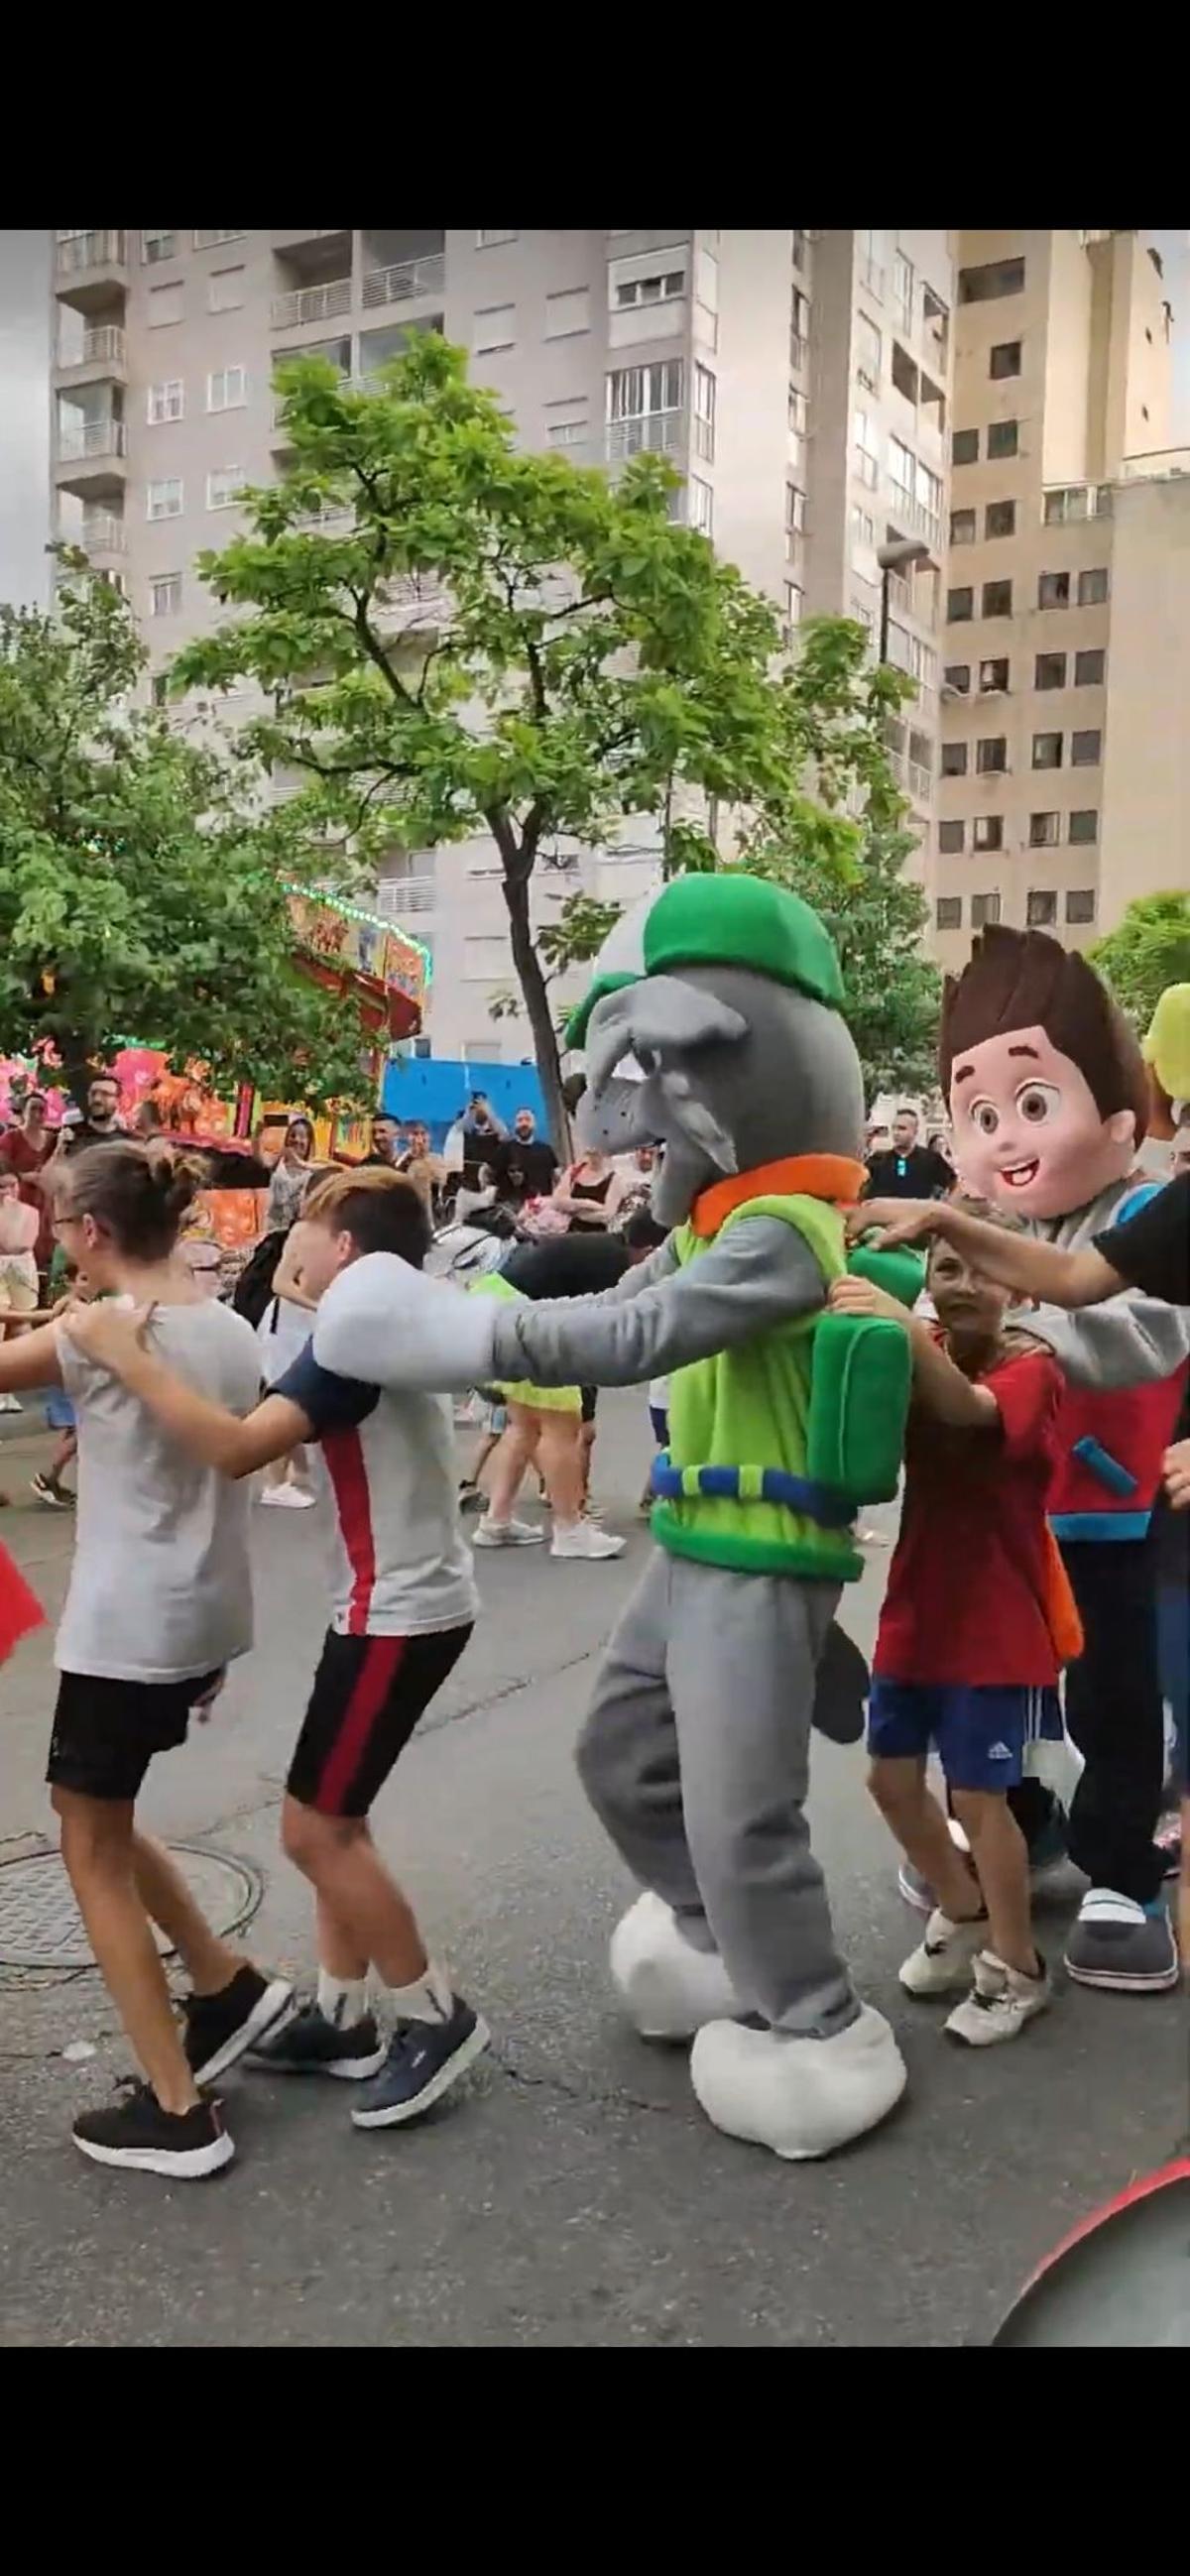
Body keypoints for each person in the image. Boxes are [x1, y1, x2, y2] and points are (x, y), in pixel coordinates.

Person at [65, 1168, 488, 2126]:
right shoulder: (370, 1324)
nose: (288, 1240)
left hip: (401, 1612)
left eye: (305, 1226)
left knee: (312, 1830)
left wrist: (119, 1351)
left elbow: (235, 1447)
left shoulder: (355, 1341)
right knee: (336, 1816)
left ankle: (434, 2013)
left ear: (344, 1247)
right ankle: (343, 2013)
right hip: (392, 1604)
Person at [3, 1144, 295, 2176]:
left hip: (130, 1626)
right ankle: (223, 1984)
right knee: (103, 1820)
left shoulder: (96, 1333)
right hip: (200, 1618)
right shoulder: (220, 1327)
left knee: (86, 1847)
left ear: (89, 1235)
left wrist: (65, 1327)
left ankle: (177, 2109)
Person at [832, 1211, 1077, 2041]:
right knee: (889, 1781)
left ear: (1014, 1284)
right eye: (945, 1270)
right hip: (916, 1606)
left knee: (978, 1795)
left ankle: (1019, 1966)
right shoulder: (914, 1348)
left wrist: (903, 1326)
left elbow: (973, 1413)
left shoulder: (1032, 1364)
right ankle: (964, 1908)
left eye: (980, 1269)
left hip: (998, 1618)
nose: (964, 1285)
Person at [1, 1090, 57, 1287]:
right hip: (19, 1201)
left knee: (45, 1246)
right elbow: (3, 1168)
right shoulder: (11, 1138)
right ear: (23, 1112)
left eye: (42, 1110)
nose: (37, 1114)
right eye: (32, 1109)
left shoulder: (52, 1140)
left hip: (45, 1203)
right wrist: (25, 1177)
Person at [0, 1173, 41, 1413]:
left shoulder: (30, 1212)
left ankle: (7, 1390)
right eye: (1, 1187)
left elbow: (20, 1244)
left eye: (12, 1185)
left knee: (21, 1326)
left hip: (22, 1267)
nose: (8, 1192)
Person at [863, 1107, 953, 1203]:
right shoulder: (878, 1159)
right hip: (884, 1214)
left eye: (902, 1128)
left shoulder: (931, 1159)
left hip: (917, 1214)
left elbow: (953, 1183)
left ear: (915, 1132)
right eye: (894, 1128)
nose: (896, 1133)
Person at [550, 1144, 630, 1234]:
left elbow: (606, 1215)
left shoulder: (615, 1178)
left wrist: (573, 1210)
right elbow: (556, 1202)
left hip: (600, 1237)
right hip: (572, 1235)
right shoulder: (574, 1171)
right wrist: (587, 1204)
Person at [490, 1110, 558, 1209]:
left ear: (534, 1125)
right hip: (512, 1208)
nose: (524, 1124)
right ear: (515, 1125)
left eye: (527, 1120)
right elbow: (487, 1172)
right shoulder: (504, 1149)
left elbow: (557, 1177)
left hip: (541, 1207)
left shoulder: (546, 1150)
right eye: (520, 1120)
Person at [265, 1114, 317, 1232]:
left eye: (302, 1137)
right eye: (293, 1135)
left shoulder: (312, 1171)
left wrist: (299, 1163)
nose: (297, 1140)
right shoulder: (278, 1161)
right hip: (270, 1231)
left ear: (309, 1142)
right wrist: (257, 1134)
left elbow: (333, 1169)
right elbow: (260, 1159)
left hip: (295, 1234)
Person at [61, 1072, 126, 1154]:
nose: (97, 1099)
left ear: (118, 1101)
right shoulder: (71, 1135)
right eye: (93, 1093)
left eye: (105, 1094)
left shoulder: (127, 1141)